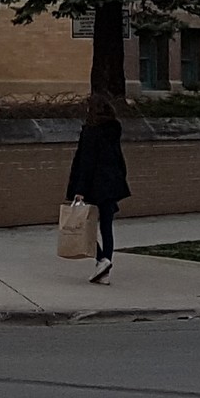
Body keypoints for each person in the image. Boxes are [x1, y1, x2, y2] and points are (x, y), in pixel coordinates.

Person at [66, 93, 131, 284]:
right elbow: (118, 157)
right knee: (106, 227)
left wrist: (80, 189)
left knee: (85, 227)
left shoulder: (91, 131)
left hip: (94, 185)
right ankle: (105, 270)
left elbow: (86, 162)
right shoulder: (114, 129)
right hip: (111, 183)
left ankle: (101, 260)